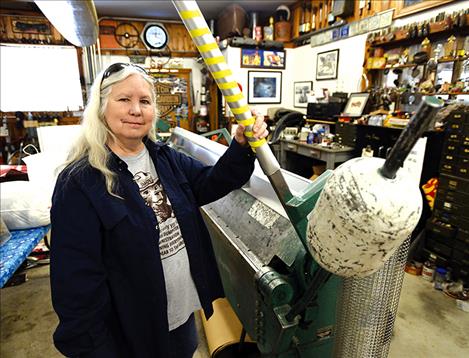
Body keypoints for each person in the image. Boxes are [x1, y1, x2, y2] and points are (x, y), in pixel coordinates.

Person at [50, 62, 268, 358]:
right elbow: (76, 285)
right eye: (124, 99)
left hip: (180, 318)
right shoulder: (79, 182)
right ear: (101, 107)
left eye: (145, 101)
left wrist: (241, 145)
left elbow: (209, 183)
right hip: (130, 334)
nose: (136, 110)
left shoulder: (164, 158)